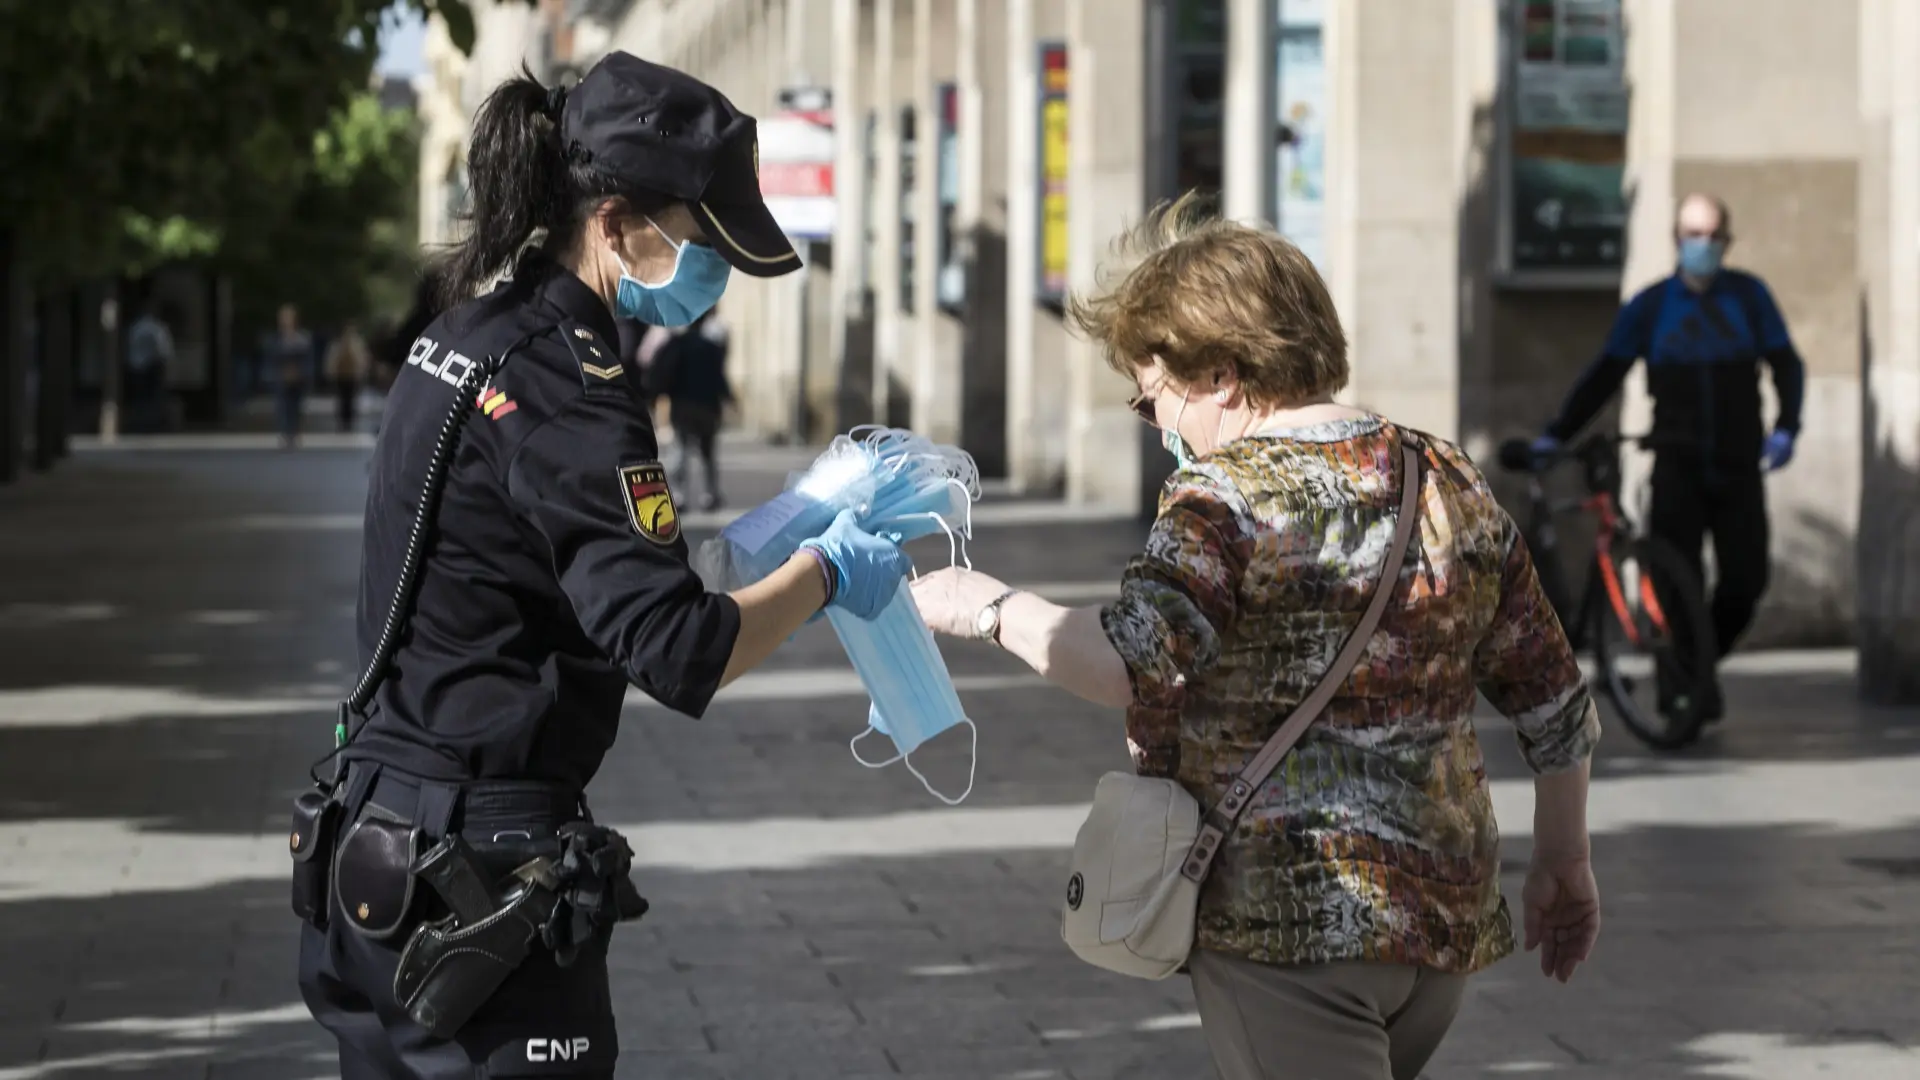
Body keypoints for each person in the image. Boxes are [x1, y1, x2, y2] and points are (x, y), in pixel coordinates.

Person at [293, 54, 911, 1079]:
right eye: (700, 240)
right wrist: (826, 573)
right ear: (616, 223)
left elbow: (523, 561)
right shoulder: (572, 392)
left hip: (375, 842)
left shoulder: (461, 336)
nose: (709, 276)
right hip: (475, 875)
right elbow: (679, 654)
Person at [909, 195, 1602, 1080]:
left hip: (1288, 922)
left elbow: (1128, 658)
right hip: (1439, 921)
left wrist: (991, 608)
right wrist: (1564, 860)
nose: (1158, 424)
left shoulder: (1223, 494)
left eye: (1152, 394)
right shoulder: (1445, 473)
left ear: (1221, 376)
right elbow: (1553, 699)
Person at [1531, 192, 1806, 721]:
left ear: (1726, 240)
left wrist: (1788, 427)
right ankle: (1684, 687)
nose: (1700, 245)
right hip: (1676, 463)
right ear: (1676, 240)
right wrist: (1557, 434)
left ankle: (1692, 669)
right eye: (1690, 235)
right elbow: (1605, 375)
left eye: (1710, 235)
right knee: (1677, 584)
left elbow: (1786, 364)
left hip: (1737, 462)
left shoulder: (1748, 298)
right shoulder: (1653, 306)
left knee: (1746, 580)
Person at [645, 307, 733, 510]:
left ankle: (678, 495)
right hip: (708, 406)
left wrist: (656, 394)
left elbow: (661, 373)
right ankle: (710, 494)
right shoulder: (712, 347)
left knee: (681, 450)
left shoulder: (677, 345)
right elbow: (720, 378)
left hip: (683, 405)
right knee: (708, 453)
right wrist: (728, 399)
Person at [265, 303, 315, 448]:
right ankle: (285, 433)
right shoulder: (275, 339)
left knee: (296, 406)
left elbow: (307, 359)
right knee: (283, 406)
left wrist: (303, 374)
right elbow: (271, 359)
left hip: (298, 378)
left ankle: (294, 432)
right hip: (281, 377)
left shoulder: (302, 337)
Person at [125, 301, 175, 432]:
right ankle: (154, 423)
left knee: (140, 397)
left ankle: (139, 423)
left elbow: (130, 347)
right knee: (153, 397)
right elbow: (163, 349)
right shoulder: (157, 328)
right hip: (153, 366)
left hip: (137, 366)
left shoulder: (136, 327)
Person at [325, 321, 371, 433]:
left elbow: (362, 359)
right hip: (341, 375)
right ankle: (343, 420)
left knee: (349, 399)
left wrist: (361, 371)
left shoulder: (356, 343)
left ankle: (348, 420)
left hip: (352, 375)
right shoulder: (339, 344)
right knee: (342, 399)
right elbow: (332, 358)